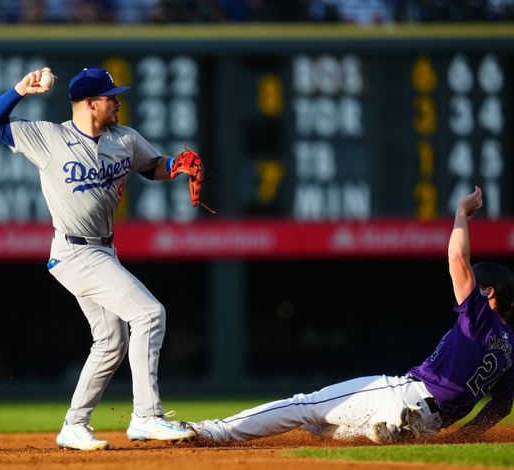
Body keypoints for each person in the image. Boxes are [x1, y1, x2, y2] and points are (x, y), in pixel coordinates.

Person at [0, 66, 200, 450]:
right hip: (74, 251)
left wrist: (176, 166)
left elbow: (152, 167)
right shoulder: (50, 137)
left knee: (111, 341)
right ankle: (147, 416)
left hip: (103, 249)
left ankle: (74, 425)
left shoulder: (124, 139)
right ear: (90, 103)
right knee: (149, 313)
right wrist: (19, 89)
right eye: (111, 97)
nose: (117, 102)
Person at [189, 185, 514, 444]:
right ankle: (390, 427)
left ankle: (212, 431)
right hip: (433, 423)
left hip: (406, 394)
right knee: (320, 431)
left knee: (305, 405)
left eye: (478, 284)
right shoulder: (509, 346)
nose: (471, 286)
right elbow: (501, 406)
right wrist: (460, 438)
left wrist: (460, 212)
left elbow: (457, 257)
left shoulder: (479, 316)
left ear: (489, 293)